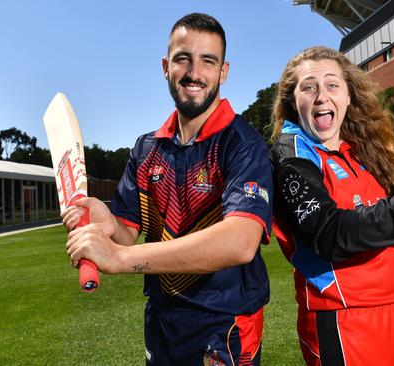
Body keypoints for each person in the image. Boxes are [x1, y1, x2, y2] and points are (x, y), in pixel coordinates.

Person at [62, 13, 272, 366]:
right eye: (183, 59)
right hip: (161, 319)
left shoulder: (243, 145)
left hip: (225, 325)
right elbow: (127, 231)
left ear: (223, 72)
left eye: (208, 61)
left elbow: (241, 242)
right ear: (165, 66)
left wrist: (121, 259)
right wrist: (109, 224)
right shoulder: (147, 149)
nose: (194, 72)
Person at [270, 46, 394, 366]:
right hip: (351, 323)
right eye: (309, 87)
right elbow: (331, 234)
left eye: (332, 84)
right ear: (293, 102)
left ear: (349, 96)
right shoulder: (292, 154)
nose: (322, 95)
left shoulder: (356, 148)